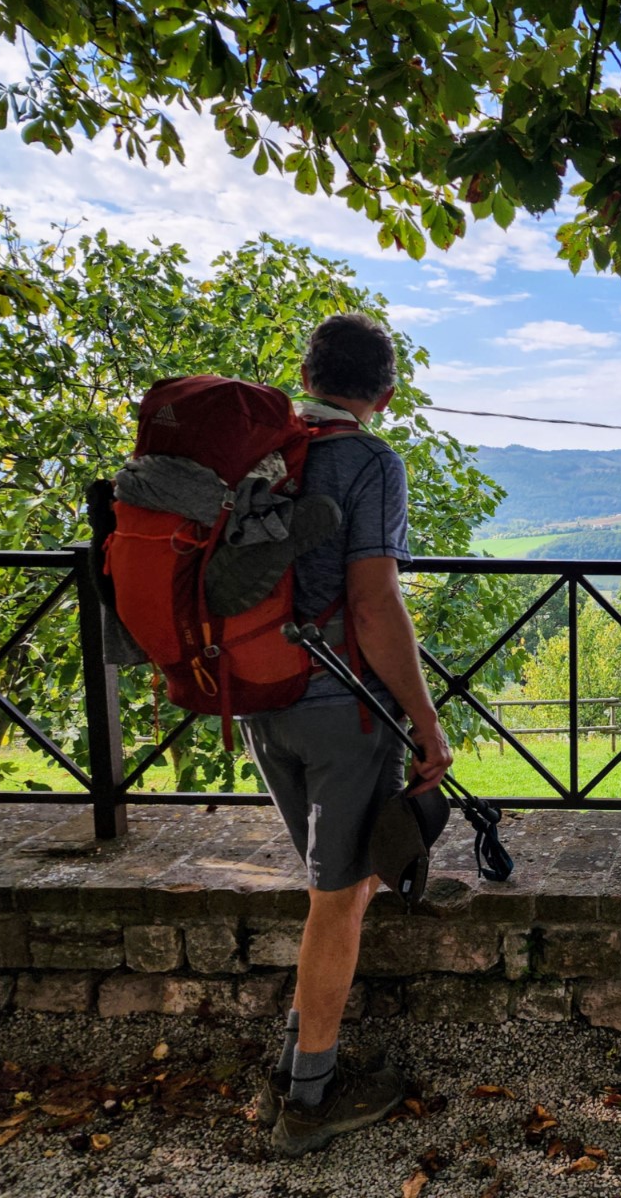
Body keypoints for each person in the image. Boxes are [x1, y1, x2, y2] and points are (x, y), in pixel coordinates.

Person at [239, 313, 454, 1157]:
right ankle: (309, 1103)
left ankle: (299, 1055)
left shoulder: (260, 456)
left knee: (342, 883)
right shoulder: (370, 460)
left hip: (260, 697)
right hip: (342, 709)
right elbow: (373, 604)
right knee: (338, 899)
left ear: (309, 375)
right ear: (385, 395)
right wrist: (428, 722)